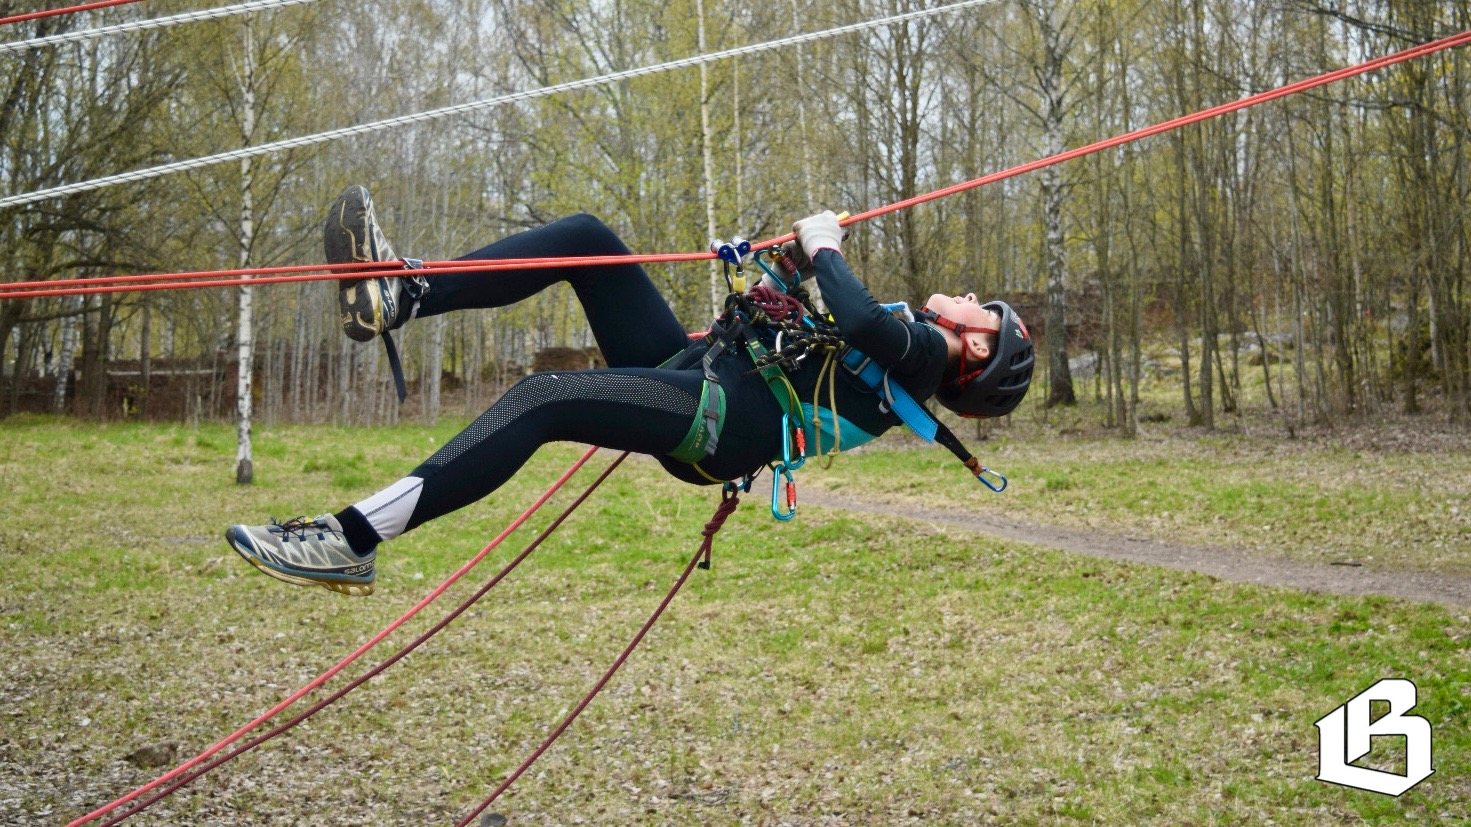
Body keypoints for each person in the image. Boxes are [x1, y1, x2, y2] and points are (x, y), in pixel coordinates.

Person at [224, 186, 1033, 596]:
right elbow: (824, 337)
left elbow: (855, 319)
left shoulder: (924, 357)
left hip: (721, 419)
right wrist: (779, 267)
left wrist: (825, 246)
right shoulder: (914, 358)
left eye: (980, 309)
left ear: (975, 347)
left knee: (546, 398)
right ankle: (402, 296)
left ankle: (350, 539)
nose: (965, 292)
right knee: (587, 240)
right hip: (704, 371)